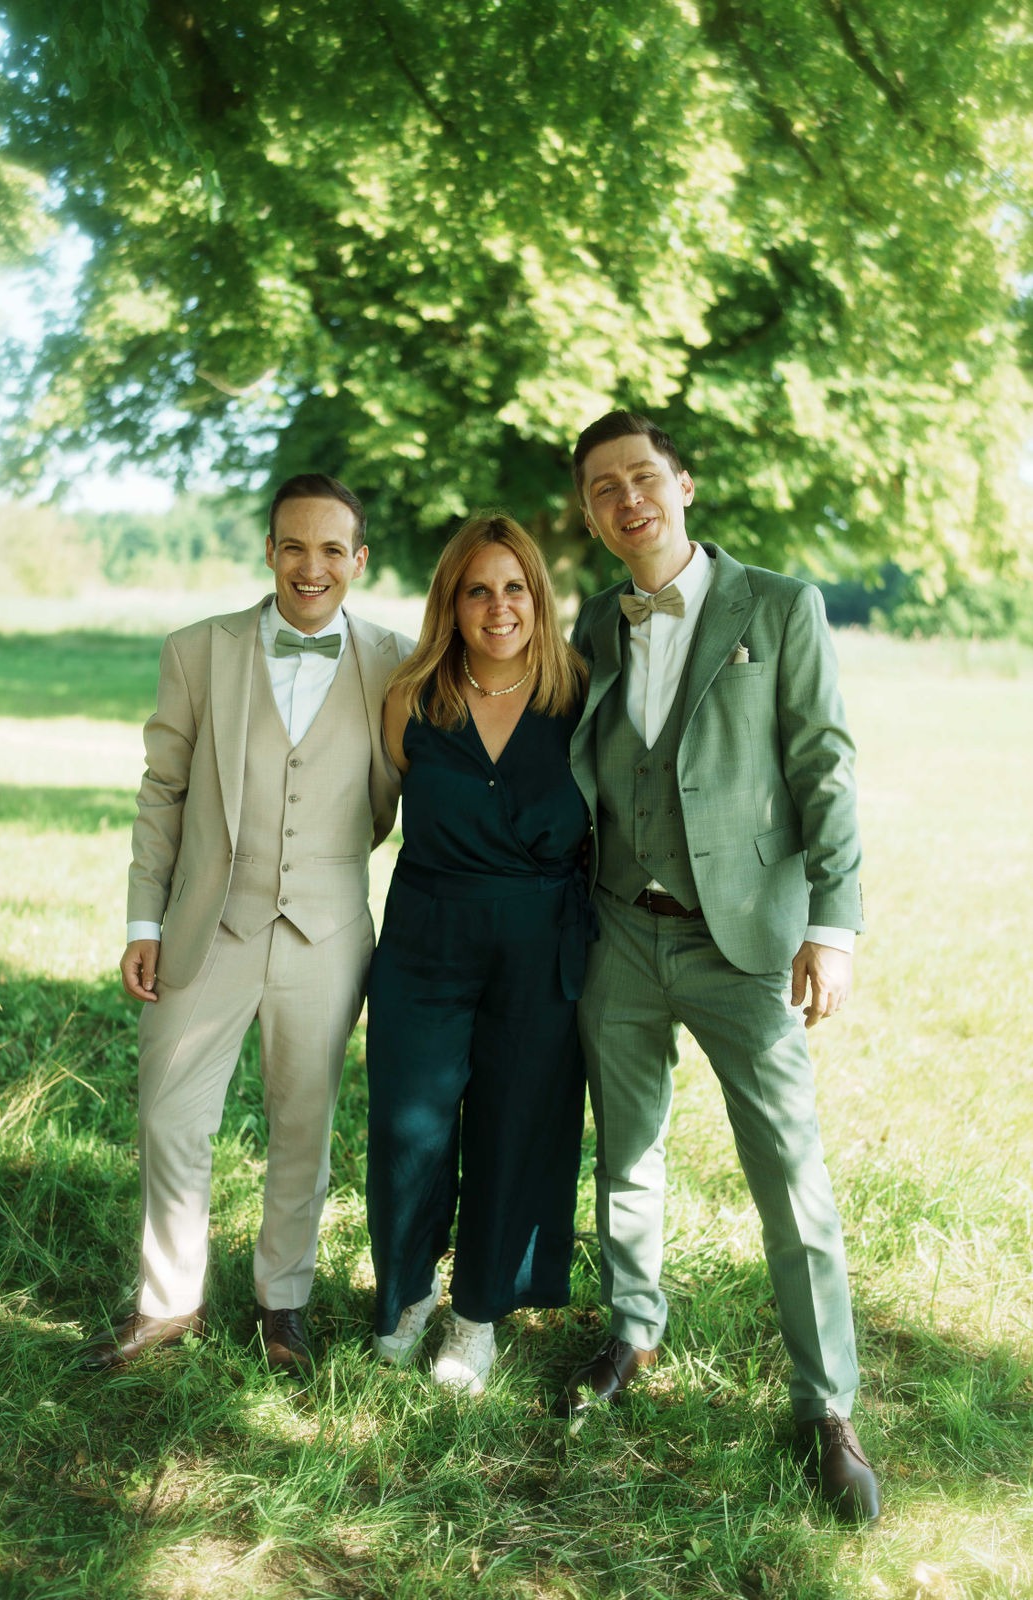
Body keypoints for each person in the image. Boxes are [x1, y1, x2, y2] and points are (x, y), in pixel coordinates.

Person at [558, 410, 881, 1523]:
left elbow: (824, 767)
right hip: (618, 929)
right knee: (626, 1152)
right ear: (588, 512)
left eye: (642, 477)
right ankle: (631, 1330)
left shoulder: (779, 607)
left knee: (788, 1171)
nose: (626, 499)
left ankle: (826, 1404)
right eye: (603, 487)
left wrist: (831, 926)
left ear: (682, 484)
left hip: (742, 941)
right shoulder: (592, 623)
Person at [79, 473, 413, 1376]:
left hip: (327, 931)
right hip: (208, 925)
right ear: (269, 551)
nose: (312, 566)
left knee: (303, 1124)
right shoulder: (199, 650)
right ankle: (167, 1302)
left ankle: (283, 1304)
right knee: (169, 1115)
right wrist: (144, 918)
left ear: (358, 560)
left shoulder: (399, 660)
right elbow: (163, 791)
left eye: (332, 549)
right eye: (293, 546)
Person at [365, 513, 591, 1394]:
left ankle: (476, 1315)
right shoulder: (411, 699)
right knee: (407, 1126)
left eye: (514, 588)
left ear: (537, 596)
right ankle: (409, 1291)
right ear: (449, 604)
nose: (499, 608)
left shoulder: (579, 694)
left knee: (515, 1128)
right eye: (477, 591)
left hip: (540, 944)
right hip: (427, 938)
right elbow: (374, 809)